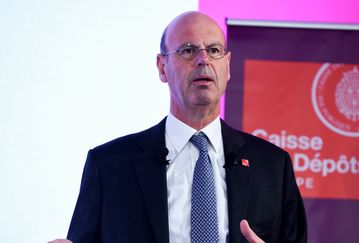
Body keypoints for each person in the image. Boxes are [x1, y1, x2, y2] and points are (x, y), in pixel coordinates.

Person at [49, 11, 307, 243]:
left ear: (227, 67)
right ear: (162, 68)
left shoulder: (273, 166)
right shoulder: (108, 166)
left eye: (215, 50)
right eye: (188, 50)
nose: (204, 60)